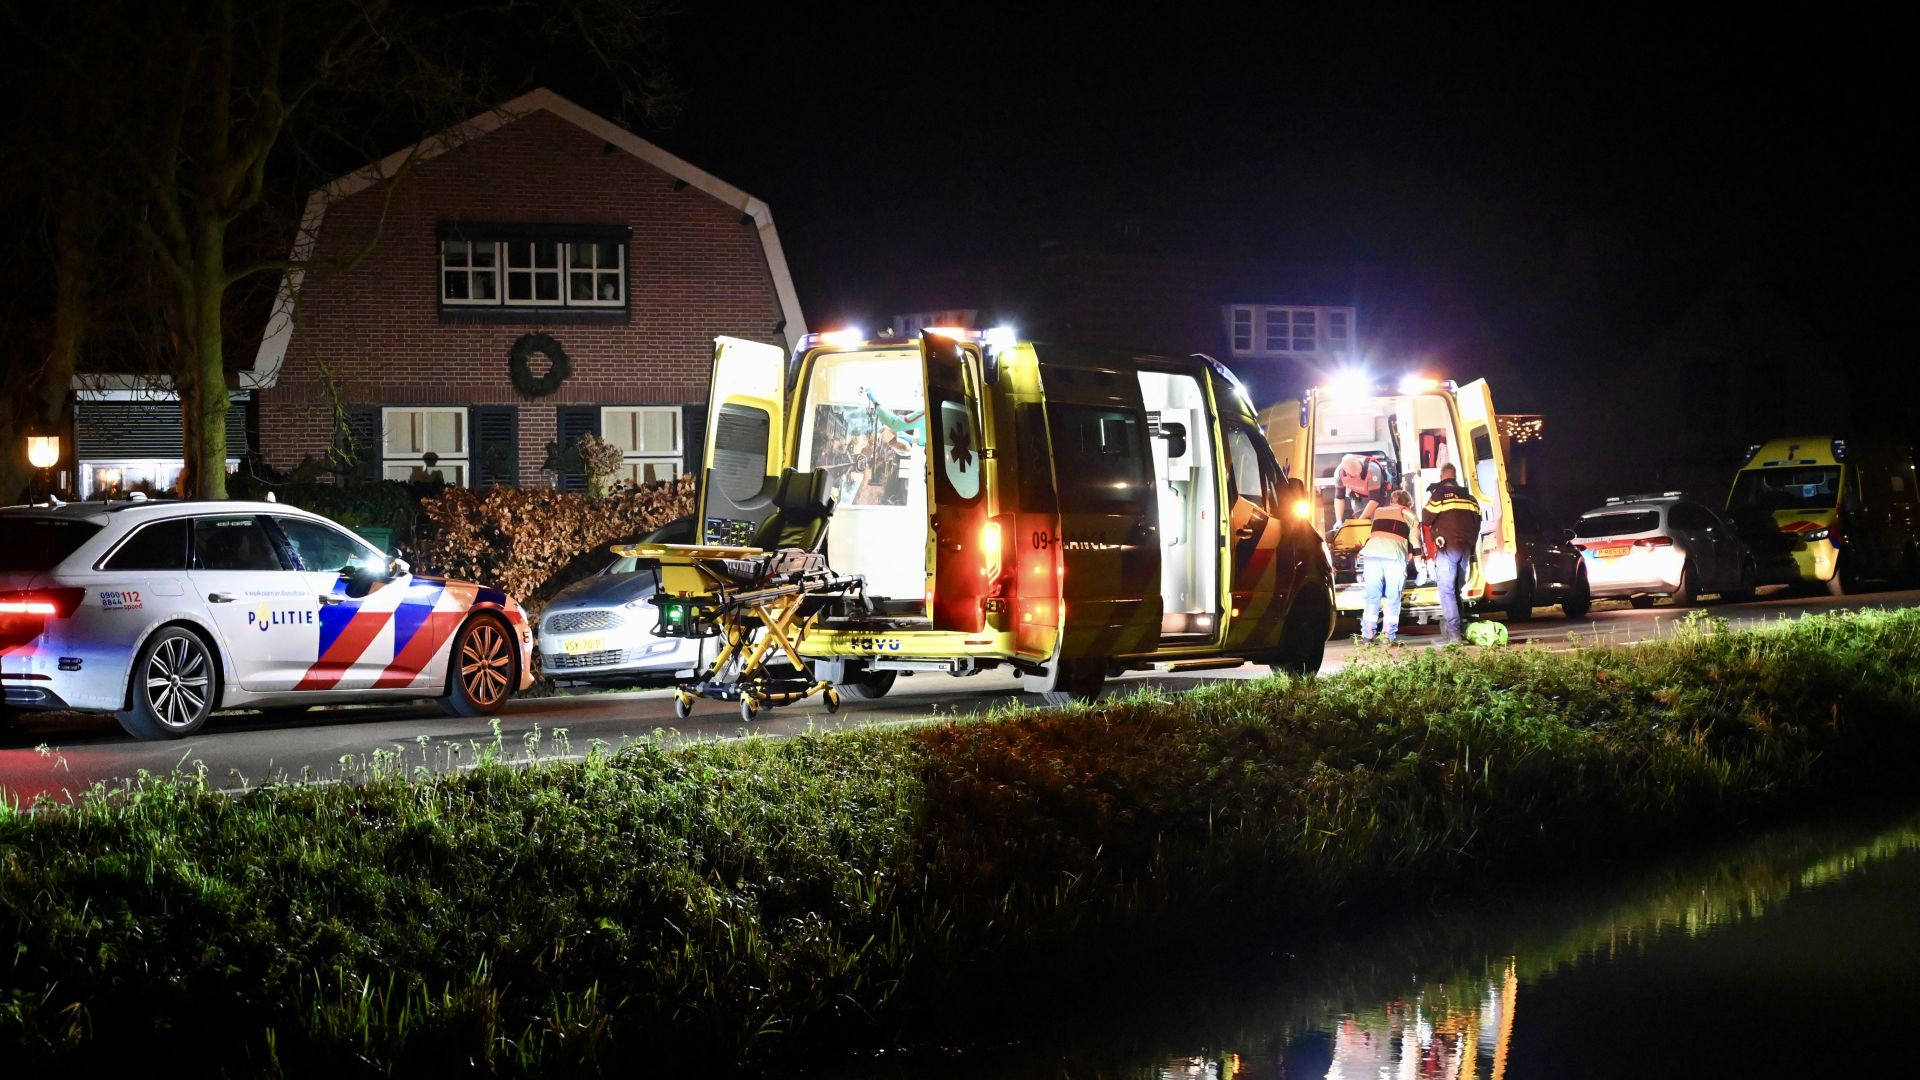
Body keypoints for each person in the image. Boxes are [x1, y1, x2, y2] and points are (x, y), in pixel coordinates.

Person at [1422, 464, 1482, 645]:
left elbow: (1426, 518)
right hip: (1465, 549)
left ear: (1442, 476)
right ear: (1455, 477)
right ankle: (1457, 632)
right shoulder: (1470, 498)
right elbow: (1478, 521)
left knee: (1447, 591)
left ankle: (1454, 636)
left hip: (1447, 547)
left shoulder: (1439, 495)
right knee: (1457, 590)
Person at [1357, 490, 1415, 645]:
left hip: (1371, 555)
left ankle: (1367, 636)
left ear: (1392, 501)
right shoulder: (1408, 514)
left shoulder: (1379, 512)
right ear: (1408, 503)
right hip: (1394, 557)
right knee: (1393, 597)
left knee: (1372, 596)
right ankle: (1388, 637)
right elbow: (1415, 539)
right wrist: (1419, 558)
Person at [1336, 452, 1389, 520]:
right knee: (1361, 522)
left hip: (1378, 496)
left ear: (1358, 462)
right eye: (1354, 475)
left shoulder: (1372, 469)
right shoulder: (1339, 473)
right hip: (1358, 498)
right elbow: (1339, 497)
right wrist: (1338, 520)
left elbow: (1374, 500)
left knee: (1377, 520)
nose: (1358, 476)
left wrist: (1360, 521)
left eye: (1359, 472)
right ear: (1346, 471)